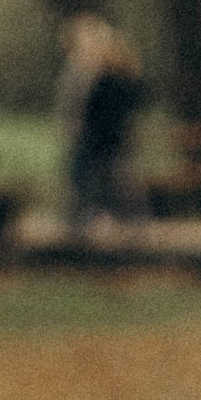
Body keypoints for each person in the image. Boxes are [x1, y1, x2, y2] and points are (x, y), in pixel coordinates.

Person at [57, 13, 145, 235]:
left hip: (104, 136)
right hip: (96, 135)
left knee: (110, 178)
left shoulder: (111, 77)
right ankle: (87, 218)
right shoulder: (85, 71)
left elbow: (101, 108)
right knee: (93, 176)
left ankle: (118, 219)